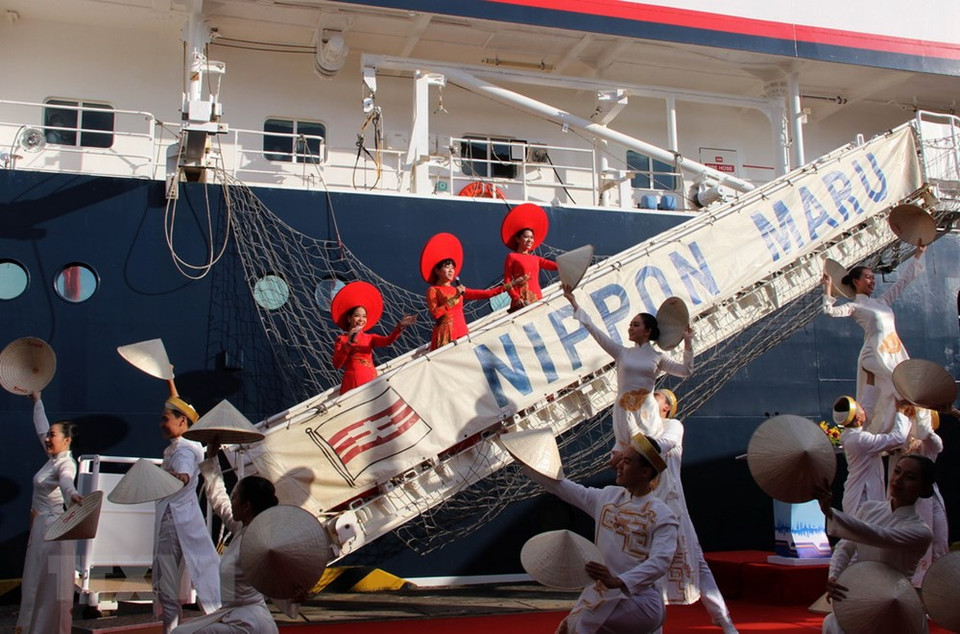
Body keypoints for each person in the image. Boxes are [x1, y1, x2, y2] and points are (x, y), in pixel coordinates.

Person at [524, 433, 679, 633]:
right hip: (602, 593)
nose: (619, 466)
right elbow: (559, 486)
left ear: (645, 472)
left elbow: (661, 561)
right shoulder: (608, 498)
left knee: (582, 623)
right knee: (567, 628)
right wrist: (521, 457)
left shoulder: (662, 515)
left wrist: (619, 581)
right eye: (621, 460)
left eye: (627, 462)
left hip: (640, 600)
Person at [563, 285, 693, 462]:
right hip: (624, 412)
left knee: (648, 460)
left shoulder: (657, 357)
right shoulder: (622, 353)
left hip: (645, 413)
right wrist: (574, 303)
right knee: (622, 462)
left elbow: (686, 371)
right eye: (630, 325)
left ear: (648, 331)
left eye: (636, 325)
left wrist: (688, 343)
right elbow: (594, 330)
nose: (630, 328)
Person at [815, 454, 935, 634]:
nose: (898, 480)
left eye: (910, 477)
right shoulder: (869, 509)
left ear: (924, 488)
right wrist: (834, 576)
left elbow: (880, 536)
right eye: (897, 471)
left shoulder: (921, 532)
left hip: (896, 603)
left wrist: (831, 512)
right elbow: (845, 547)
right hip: (864, 597)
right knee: (833, 624)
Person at [172, 442, 285, 633]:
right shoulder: (242, 527)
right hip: (236, 614)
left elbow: (280, 573)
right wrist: (212, 458)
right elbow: (219, 500)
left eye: (235, 498)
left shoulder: (263, 543)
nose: (231, 503)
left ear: (246, 506)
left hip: (249, 621)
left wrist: (294, 591)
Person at [651, 390, 738, 634]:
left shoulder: (673, 426)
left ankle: (722, 618)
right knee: (649, 566)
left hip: (673, 506)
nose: (649, 398)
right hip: (646, 505)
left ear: (667, 407)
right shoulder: (637, 428)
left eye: (656, 396)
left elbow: (658, 448)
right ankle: (653, 627)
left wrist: (633, 444)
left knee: (697, 562)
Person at [821, 244, 925, 433]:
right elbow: (829, 311)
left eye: (873, 277)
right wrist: (827, 289)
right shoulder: (856, 307)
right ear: (856, 281)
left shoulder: (882, 302)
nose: (872, 281)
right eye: (868, 277)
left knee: (897, 390)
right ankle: (896, 432)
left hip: (893, 352)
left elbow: (902, 281)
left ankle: (901, 432)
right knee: (899, 385)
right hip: (874, 354)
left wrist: (918, 254)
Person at [154, 381, 222, 633]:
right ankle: (220, 623)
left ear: (182, 421)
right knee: (205, 577)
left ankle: (172, 630)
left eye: (165, 419)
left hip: (173, 522)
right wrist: (169, 380)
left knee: (167, 587)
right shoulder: (191, 443)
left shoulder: (183, 449)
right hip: (188, 518)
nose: (160, 424)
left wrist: (169, 476)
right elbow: (177, 404)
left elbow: (183, 474)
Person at [16, 392, 83, 634]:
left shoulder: (65, 463)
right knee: (35, 583)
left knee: (45, 586)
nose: (47, 438)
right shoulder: (53, 458)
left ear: (67, 440)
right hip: (42, 529)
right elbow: (41, 429)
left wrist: (72, 494)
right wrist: (38, 401)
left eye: (52, 435)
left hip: (52, 532)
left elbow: (66, 481)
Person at [421, 232, 526, 350]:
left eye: (453, 268)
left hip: (462, 331)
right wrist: (454, 299)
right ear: (437, 271)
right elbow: (435, 314)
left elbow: (487, 294)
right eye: (447, 267)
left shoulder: (458, 289)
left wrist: (511, 284)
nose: (451, 270)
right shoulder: (433, 290)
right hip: (446, 334)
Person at [832, 385, 910, 515]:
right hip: (863, 499)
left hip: (857, 494)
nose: (864, 409)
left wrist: (870, 376)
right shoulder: (860, 439)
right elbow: (898, 438)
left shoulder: (848, 434)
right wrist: (900, 412)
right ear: (858, 418)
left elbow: (866, 409)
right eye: (861, 409)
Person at [330, 281, 416, 395]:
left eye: (364, 316)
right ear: (349, 318)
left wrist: (400, 326)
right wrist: (349, 344)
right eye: (357, 316)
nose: (361, 319)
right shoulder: (341, 339)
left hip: (371, 378)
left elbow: (388, 341)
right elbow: (337, 365)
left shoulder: (370, 337)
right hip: (353, 382)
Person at [905, 416, 948, 587]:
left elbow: (937, 444)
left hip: (931, 499)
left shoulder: (929, 443)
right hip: (908, 502)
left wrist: (922, 413)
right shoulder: (900, 441)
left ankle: (940, 585)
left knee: (940, 542)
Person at [501, 203, 558, 312]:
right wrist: (515, 297)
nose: (530, 240)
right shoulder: (512, 257)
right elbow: (507, 282)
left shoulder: (536, 259)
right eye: (526, 237)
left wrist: (571, 263)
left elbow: (555, 266)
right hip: (521, 301)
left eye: (532, 237)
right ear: (518, 239)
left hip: (537, 299)